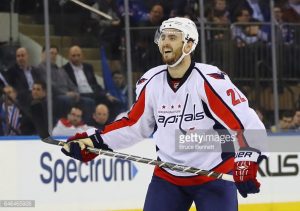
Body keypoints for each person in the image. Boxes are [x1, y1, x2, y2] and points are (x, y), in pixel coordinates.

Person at [61, 17, 266, 211]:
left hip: (214, 173)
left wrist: (247, 160)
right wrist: (93, 142)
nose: (165, 42)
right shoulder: (151, 82)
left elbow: (247, 123)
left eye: (173, 37)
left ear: (189, 45)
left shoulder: (209, 81)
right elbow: (134, 124)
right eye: (163, 37)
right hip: (168, 177)